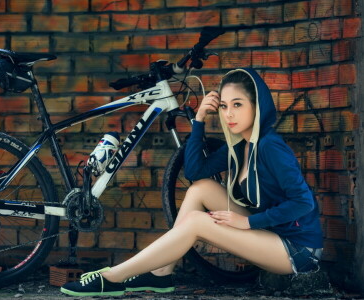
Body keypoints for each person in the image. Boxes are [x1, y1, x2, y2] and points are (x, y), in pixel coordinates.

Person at [60, 68, 324, 297]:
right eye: (224, 106)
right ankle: (161, 273)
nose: (229, 114)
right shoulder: (242, 146)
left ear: (258, 106)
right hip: (272, 235)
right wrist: (198, 121)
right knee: (202, 189)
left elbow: (303, 203)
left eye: (238, 104)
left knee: (198, 222)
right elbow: (195, 173)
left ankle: (112, 279)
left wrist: (247, 222)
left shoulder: (270, 147)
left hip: (297, 251)